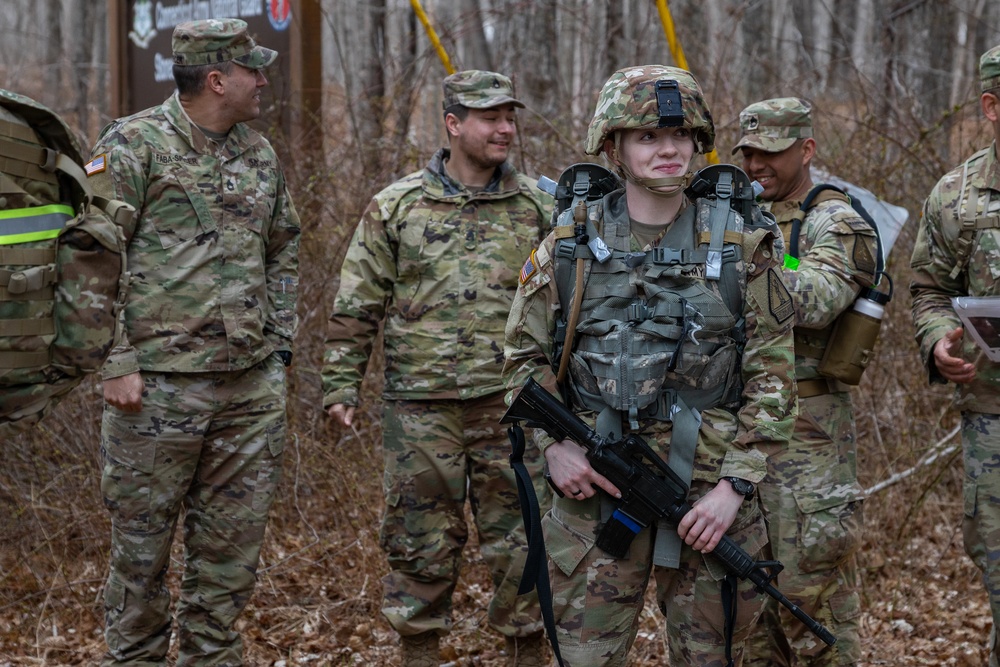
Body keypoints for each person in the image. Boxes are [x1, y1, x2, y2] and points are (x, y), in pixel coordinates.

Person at [502, 65, 797, 666]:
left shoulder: (743, 245)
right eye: (647, 137)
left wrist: (733, 489)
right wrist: (555, 447)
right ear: (612, 146)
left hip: (706, 502)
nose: (668, 149)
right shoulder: (568, 243)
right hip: (594, 488)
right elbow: (520, 359)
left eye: (681, 136)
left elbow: (774, 377)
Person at [86, 18, 300, 666]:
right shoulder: (134, 145)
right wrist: (115, 360)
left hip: (247, 393)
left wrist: (280, 347)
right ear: (217, 79)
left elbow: (284, 246)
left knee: (228, 567)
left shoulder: (257, 153)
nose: (263, 81)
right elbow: (90, 257)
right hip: (154, 397)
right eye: (252, 71)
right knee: (141, 563)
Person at [321, 70, 552, 666]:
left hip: (514, 408)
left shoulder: (539, 207)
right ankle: (419, 653)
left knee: (524, 541)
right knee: (418, 542)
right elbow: (357, 303)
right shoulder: (397, 207)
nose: (505, 129)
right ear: (453, 124)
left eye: (509, 117)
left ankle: (526, 653)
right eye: (489, 118)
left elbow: (576, 302)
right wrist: (340, 386)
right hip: (420, 412)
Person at [733, 98, 876, 666]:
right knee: (749, 618)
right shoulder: (739, 216)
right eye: (748, 153)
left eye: (770, 152)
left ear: (807, 149)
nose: (755, 165)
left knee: (813, 608)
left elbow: (815, 302)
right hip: (739, 435)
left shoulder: (836, 221)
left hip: (809, 444)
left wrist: (737, 261)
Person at [911, 43, 1000, 667]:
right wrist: (939, 339)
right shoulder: (957, 198)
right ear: (992, 107)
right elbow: (929, 289)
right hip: (993, 418)